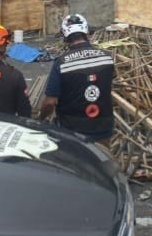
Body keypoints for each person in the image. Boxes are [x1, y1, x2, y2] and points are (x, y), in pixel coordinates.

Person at [38, 14, 115, 144]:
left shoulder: (61, 63)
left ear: (65, 36)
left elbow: (50, 102)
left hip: (73, 129)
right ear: (86, 32)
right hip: (103, 124)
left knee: (77, 163)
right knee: (101, 160)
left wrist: (40, 118)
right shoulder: (107, 58)